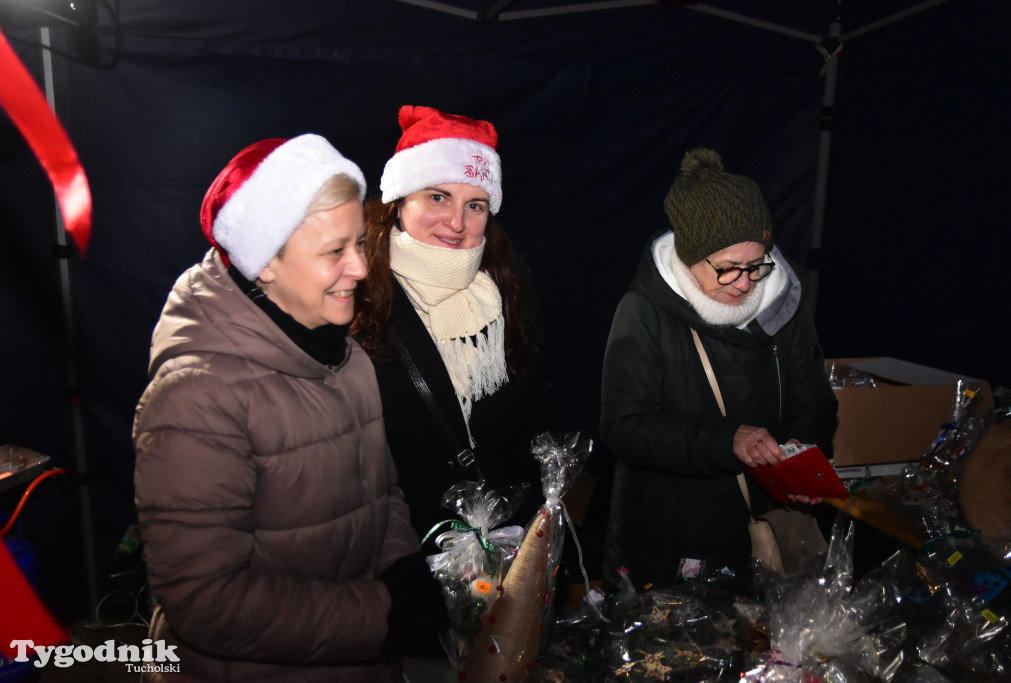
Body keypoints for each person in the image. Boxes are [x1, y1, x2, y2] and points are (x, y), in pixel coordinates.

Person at [133, 134, 447, 683]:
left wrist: (400, 570)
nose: (361, 269)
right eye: (334, 252)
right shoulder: (196, 397)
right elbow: (207, 602)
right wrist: (381, 615)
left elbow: (382, 490)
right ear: (265, 262)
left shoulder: (347, 357)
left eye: (359, 245)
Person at [600, 147, 838, 589]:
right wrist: (729, 440)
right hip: (672, 538)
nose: (746, 283)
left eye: (756, 265)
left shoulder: (785, 305)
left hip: (770, 525)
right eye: (728, 269)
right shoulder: (644, 312)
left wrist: (799, 452)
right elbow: (624, 427)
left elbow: (815, 398)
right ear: (691, 257)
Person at [353, 105, 553, 546]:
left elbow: (536, 431)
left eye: (475, 205)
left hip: (500, 545)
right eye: (437, 197)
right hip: (398, 551)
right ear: (400, 202)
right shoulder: (355, 298)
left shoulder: (505, 294)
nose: (457, 223)